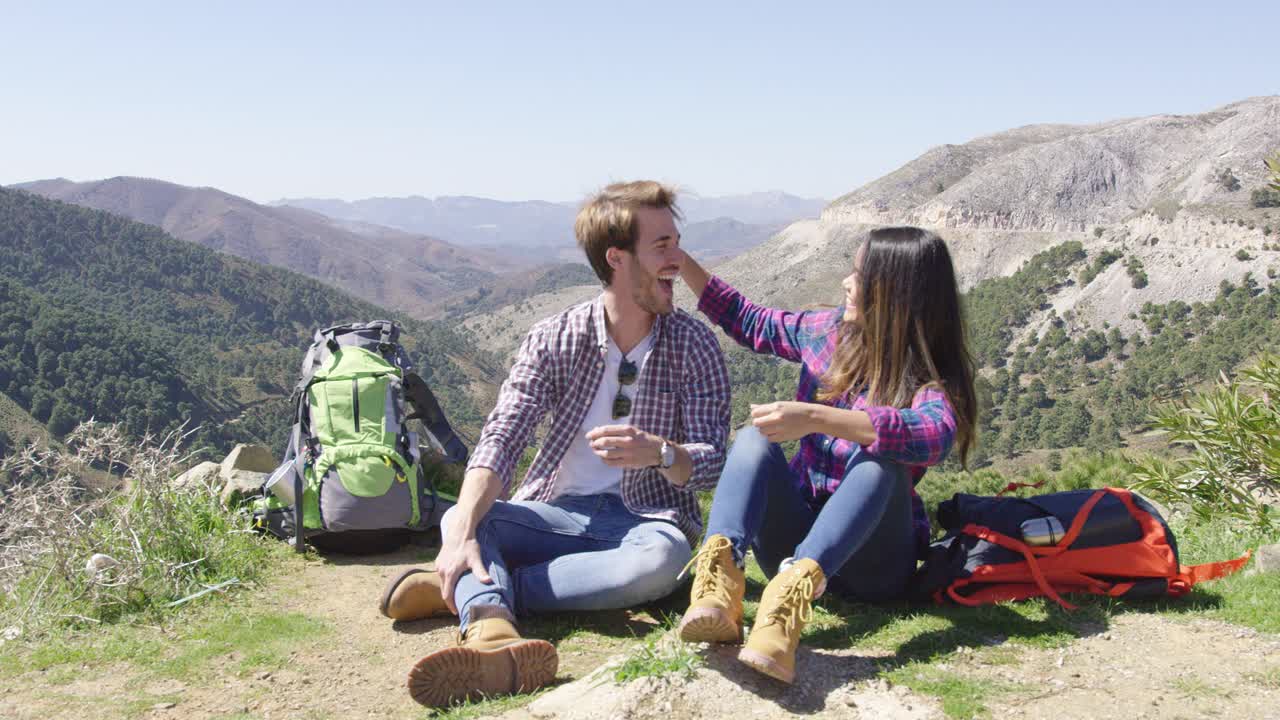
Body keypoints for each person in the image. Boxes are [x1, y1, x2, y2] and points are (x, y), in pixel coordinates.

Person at [380, 181, 732, 708]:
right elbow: (503, 435)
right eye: (662, 246)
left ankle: (477, 593)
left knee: (662, 561)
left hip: (647, 523)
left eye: (676, 242)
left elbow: (711, 463)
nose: (678, 260)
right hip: (554, 514)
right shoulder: (554, 337)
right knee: (463, 518)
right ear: (617, 258)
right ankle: (492, 631)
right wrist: (463, 532)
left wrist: (662, 453)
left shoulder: (697, 343)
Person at [675, 226, 976, 684]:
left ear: (894, 293)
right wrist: (679, 259)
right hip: (794, 539)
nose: (847, 284)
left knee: (883, 462)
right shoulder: (828, 334)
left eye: (859, 275)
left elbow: (934, 435)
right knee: (754, 439)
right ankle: (719, 583)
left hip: (875, 564)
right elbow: (746, 319)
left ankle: (788, 606)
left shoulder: (930, 375)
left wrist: (817, 418)